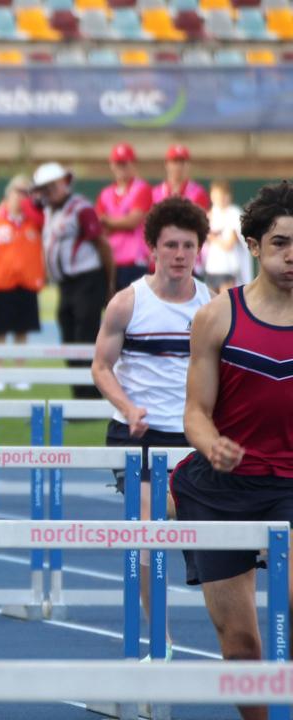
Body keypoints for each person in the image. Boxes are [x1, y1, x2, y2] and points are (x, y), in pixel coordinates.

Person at [176, 181, 293, 720]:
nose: (292, 257)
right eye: (281, 243)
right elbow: (196, 414)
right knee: (241, 648)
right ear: (252, 245)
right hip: (223, 489)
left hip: (289, 484)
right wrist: (210, 445)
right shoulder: (219, 317)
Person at [91, 197, 212, 660]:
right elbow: (101, 367)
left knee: (200, 530)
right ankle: (159, 636)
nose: (179, 255)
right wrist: (128, 406)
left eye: (187, 246)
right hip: (136, 435)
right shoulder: (127, 303)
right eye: (170, 246)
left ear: (199, 250)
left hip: (191, 435)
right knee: (150, 525)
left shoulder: (211, 306)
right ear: (153, 249)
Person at [34, 161, 114, 399]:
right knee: (68, 337)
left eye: (52, 186)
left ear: (63, 184)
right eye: (44, 188)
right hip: (66, 285)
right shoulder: (49, 211)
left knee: (85, 338)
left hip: (87, 280)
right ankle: (79, 395)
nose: (48, 192)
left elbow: (102, 246)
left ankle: (91, 397)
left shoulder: (81, 208)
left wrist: (109, 285)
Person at [0, 174, 45, 389]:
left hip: (26, 282)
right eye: (19, 191)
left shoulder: (35, 218)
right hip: (0, 282)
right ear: (9, 192)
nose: (22, 197)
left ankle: (19, 373)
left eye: (27, 192)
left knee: (22, 331)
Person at [96, 142, 154, 292]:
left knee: (136, 310)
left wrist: (108, 221)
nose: (121, 168)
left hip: (135, 261)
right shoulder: (106, 193)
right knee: (113, 309)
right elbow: (99, 227)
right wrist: (117, 221)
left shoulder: (142, 188)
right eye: (118, 164)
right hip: (111, 261)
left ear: (133, 164)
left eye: (124, 163)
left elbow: (133, 221)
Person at [204, 179, 249, 292]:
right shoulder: (211, 215)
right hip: (212, 268)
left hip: (227, 269)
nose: (219, 200)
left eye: (222, 196)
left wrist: (212, 237)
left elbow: (229, 244)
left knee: (227, 303)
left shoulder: (234, 214)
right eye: (216, 196)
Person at [152, 144, 210, 213]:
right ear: (167, 164)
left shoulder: (198, 192)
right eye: (175, 161)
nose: (178, 166)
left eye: (182, 162)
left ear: (188, 165)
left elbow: (201, 220)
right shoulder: (155, 193)